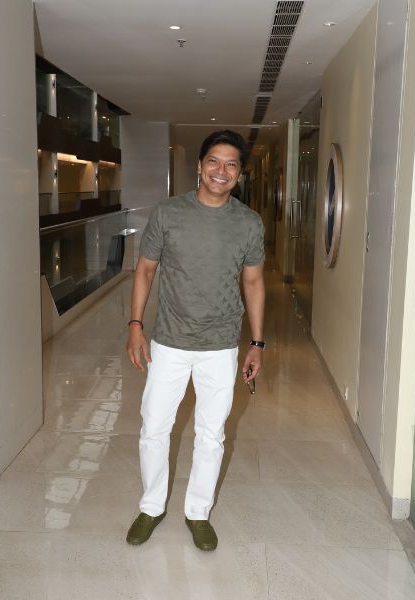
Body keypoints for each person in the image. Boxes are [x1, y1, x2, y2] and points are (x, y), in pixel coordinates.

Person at [125, 130, 266, 551]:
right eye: (214, 161)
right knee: (154, 427)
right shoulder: (168, 213)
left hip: (220, 345)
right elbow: (145, 270)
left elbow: (253, 282)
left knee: (211, 433)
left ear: (239, 173)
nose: (221, 171)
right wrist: (135, 326)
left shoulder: (248, 222)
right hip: (169, 341)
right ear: (200, 166)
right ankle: (152, 507)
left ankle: (198, 512)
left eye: (231, 164)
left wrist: (257, 344)